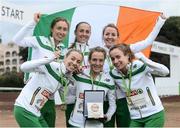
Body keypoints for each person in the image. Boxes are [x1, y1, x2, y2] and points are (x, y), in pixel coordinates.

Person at [102, 14, 166, 127]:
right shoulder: (98, 54)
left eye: (113, 34)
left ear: (118, 37)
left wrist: (160, 21)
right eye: (107, 34)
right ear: (103, 36)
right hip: (109, 98)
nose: (110, 37)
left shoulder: (128, 49)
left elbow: (148, 41)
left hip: (126, 100)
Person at [11, 13, 69, 127]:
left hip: (49, 98)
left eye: (65, 29)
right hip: (34, 94)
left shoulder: (64, 51)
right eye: (59, 28)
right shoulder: (40, 41)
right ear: (52, 28)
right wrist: (33, 22)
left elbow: (62, 77)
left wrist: (63, 99)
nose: (61, 32)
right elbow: (17, 40)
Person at [14, 49, 83, 127]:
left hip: (36, 113)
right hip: (24, 109)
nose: (74, 63)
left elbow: (63, 94)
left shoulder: (65, 77)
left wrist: (78, 74)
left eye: (78, 61)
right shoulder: (51, 65)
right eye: (72, 59)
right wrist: (48, 59)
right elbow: (23, 67)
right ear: (65, 58)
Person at [109, 44, 169, 127]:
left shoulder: (139, 65)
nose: (115, 61)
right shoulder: (114, 74)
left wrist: (143, 58)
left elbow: (165, 72)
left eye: (118, 57)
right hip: (135, 118)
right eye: (112, 59)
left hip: (154, 114)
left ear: (127, 55)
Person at [68, 47, 116, 127]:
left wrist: (107, 116)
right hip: (75, 123)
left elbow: (113, 105)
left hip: (96, 125)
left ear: (104, 62)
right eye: (94, 60)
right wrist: (72, 72)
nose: (97, 63)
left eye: (101, 60)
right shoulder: (79, 74)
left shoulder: (109, 81)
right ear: (89, 61)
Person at [62, 21, 92, 127]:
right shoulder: (66, 51)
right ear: (75, 32)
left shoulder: (93, 52)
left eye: (87, 31)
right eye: (81, 31)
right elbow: (61, 72)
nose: (84, 34)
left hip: (90, 96)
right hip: (72, 97)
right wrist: (70, 70)